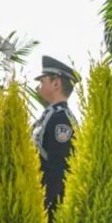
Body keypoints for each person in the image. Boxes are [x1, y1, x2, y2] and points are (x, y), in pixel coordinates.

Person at [32, 55, 78, 213]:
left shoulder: (61, 119)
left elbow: (58, 168)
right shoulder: (51, 115)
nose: (38, 86)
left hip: (51, 206)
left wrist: (46, 205)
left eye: (42, 81)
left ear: (56, 83)